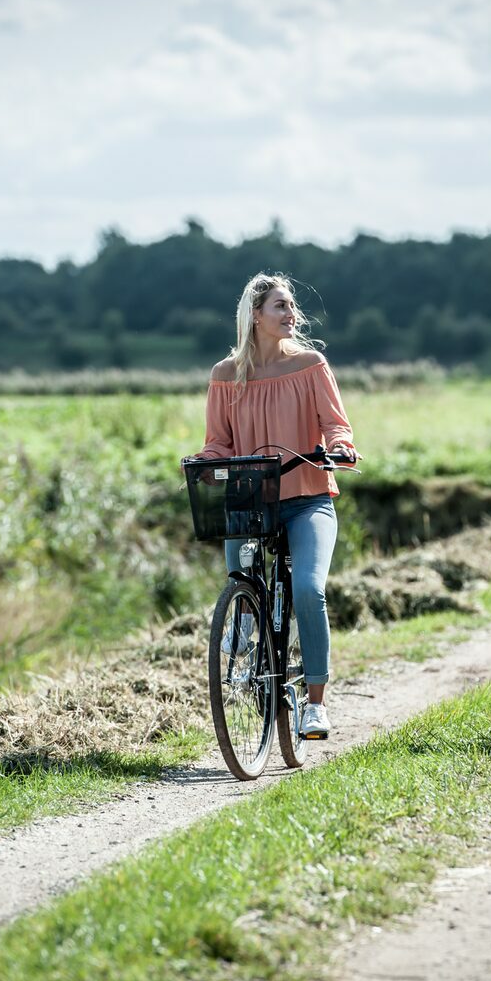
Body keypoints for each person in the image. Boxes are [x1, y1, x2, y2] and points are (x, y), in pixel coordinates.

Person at [184, 272, 358, 740]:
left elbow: (336, 425)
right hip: (250, 503)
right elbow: (218, 443)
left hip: (308, 499)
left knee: (307, 590)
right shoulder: (226, 376)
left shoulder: (310, 364)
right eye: (279, 306)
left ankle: (316, 705)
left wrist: (340, 448)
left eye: (291, 306)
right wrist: (203, 463)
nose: (291, 314)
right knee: (241, 581)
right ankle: (243, 620)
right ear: (255, 315)